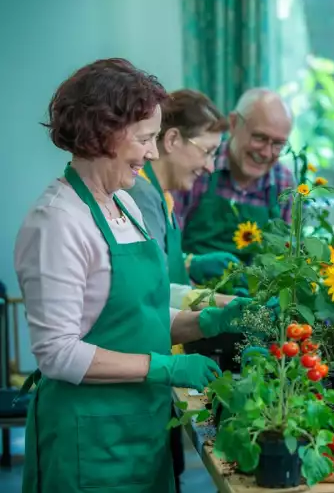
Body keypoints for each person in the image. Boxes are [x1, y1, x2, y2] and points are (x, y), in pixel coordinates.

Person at [14, 59, 252, 493]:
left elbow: (139, 316)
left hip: (143, 430)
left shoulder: (123, 205)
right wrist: (166, 365)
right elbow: (58, 354)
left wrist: (208, 320)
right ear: (104, 133)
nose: (154, 153)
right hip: (89, 440)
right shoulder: (57, 221)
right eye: (145, 139)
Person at [124, 88, 236, 491]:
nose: (210, 166)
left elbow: (158, 266)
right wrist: (224, 304)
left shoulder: (162, 197)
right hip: (139, 366)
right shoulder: (139, 195)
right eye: (207, 151)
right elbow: (146, 293)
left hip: (157, 357)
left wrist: (191, 264)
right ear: (171, 140)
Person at [173, 88, 295, 263]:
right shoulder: (198, 168)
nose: (266, 153)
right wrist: (194, 266)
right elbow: (168, 250)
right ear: (233, 123)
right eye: (259, 138)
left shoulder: (284, 184)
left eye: (278, 144)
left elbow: (287, 260)